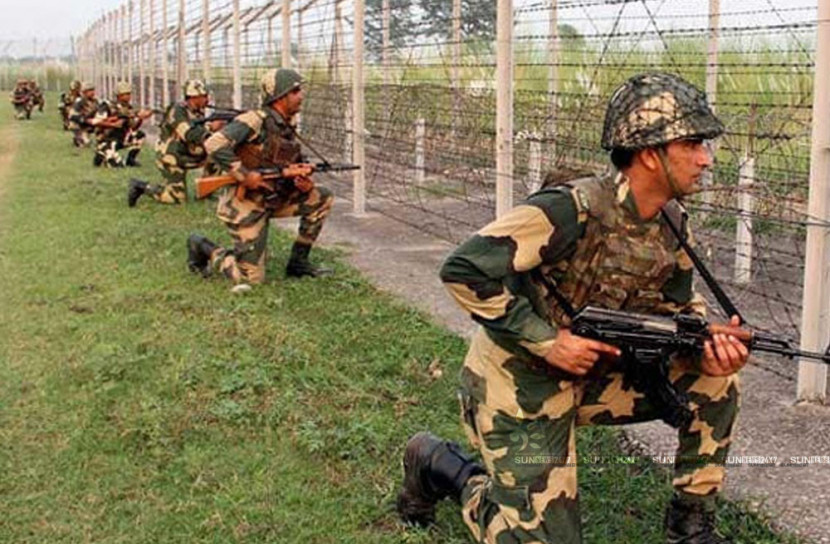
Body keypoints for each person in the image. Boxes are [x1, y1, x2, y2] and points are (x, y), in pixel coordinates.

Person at [396, 72, 749, 544]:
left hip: (596, 376)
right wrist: (547, 341)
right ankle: (445, 467)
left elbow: (680, 304)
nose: (706, 159)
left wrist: (706, 343)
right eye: (693, 144)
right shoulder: (570, 210)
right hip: (521, 382)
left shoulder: (672, 221)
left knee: (717, 379)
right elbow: (462, 269)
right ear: (649, 153)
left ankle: (690, 527)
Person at [186, 68, 334, 285]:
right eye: (296, 91)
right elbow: (214, 143)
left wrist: (302, 182)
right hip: (245, 204)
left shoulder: (287, 125)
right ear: (280, 96)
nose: (301, 96)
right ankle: (202, 247)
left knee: (321, 197)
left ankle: (298, 263)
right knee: (250, 279)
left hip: (271, 197)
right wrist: (244, 175)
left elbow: (288, 162)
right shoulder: (254, 120)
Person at [127, 79, 221, 205]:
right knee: (176, 199)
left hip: (188, 153)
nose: (207, 99)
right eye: (204, 96)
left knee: (218, 156)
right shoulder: (177, 111)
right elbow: (188, 134)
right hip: (172, 157)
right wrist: (211, 128)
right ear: (194, 97)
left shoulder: (197, 110)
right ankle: (140, 187)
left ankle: (205, 192)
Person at [92, 81, 151, 168]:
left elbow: (133, 127)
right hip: (106, 139)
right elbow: (96, 122)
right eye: (126, 94)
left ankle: (130, 160)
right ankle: (101, 154)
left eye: (129, 94)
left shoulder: (129, 108)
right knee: (116, 166)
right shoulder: (107, 106)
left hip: (121, 138)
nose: (128, 96)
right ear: (119, 95)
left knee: (139, 135)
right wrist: (113, 125)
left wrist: (140, 119)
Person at [69, 82, 99, 148]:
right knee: (85, 144)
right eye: (90, 91)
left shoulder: (95, 102)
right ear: (84, 92)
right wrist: (84, 120)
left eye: (93, 90)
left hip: (91, 124)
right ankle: (79, 137)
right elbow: (72, 116)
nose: (92, 92)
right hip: (80, 124)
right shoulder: (79, 102)